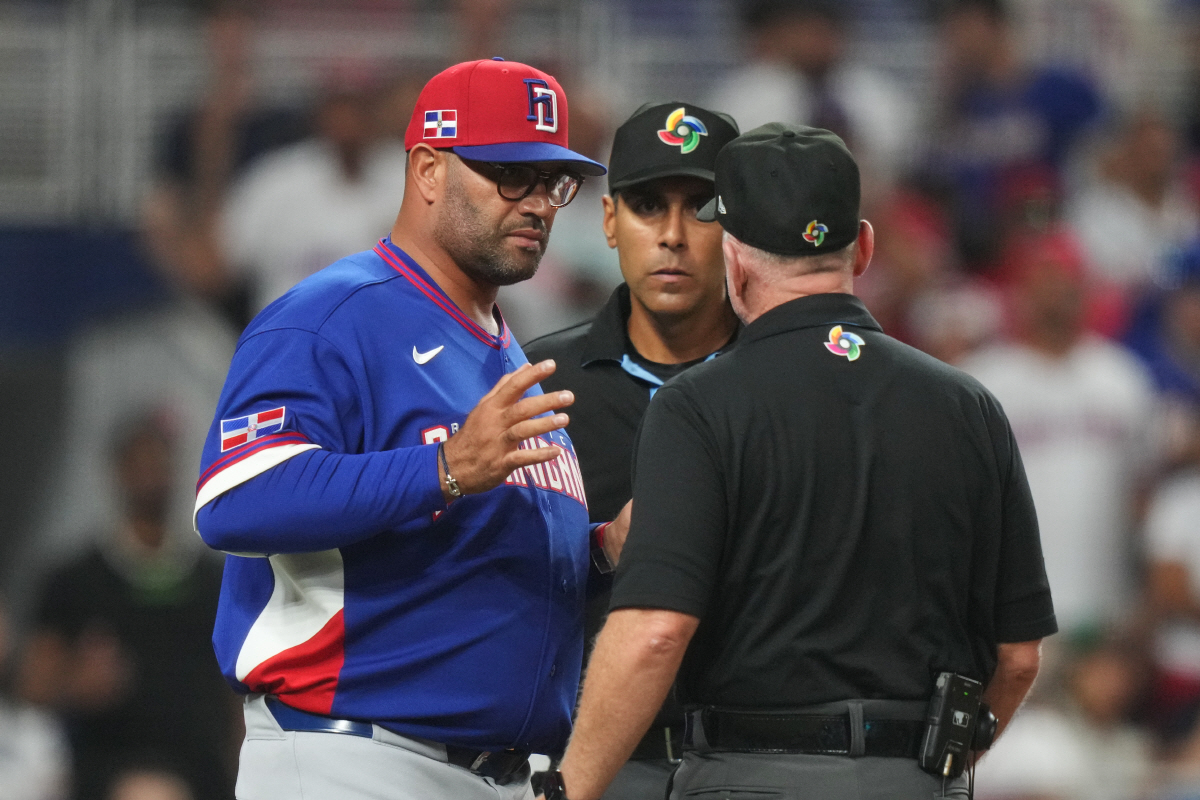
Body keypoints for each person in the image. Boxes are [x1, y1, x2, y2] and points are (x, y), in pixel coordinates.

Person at [540, 124, 1057, 800]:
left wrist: (565, 792)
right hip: (918, 777)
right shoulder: (968, 404)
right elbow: (1016, 660)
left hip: (751, 773)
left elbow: (656, 633)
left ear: (734, 259)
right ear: (864, 247)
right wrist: (935, 770)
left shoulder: (700, 404)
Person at [193, 58, 618, 800]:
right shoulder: (333, 316)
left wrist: (601, 554)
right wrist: (445, 468)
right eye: (509, 173)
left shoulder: (500, 343)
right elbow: (235, 495)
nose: (539, 205)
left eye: (553, 182)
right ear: (427, 169)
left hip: (501, 774)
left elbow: (469, 554)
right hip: (356, 760)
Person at [523, 101, 741, 799]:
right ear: (610, 221)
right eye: (647, 205)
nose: (673, 235)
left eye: (702, 208)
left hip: (754, 763)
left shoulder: (789, 389)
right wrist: (595, 549)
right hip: (583, 762)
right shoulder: (535, 388)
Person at [18, 413, 232, 800]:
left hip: (202, 768)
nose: (150, 474)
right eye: (138, 463)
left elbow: (234, 694)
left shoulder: (214, 582)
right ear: (117, 472)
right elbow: (33, 687)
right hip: (107, 765)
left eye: (159, 462)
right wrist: (74, 683)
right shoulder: (73, 582)